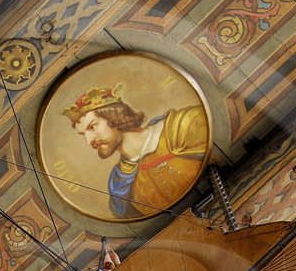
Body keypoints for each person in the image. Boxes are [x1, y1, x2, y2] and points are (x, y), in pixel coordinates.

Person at [62, 85, 210, 219]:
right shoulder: (120, 185)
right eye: (83, 134)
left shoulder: (183, 126)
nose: (89, 141)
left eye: (92, 127)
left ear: (114, 116)